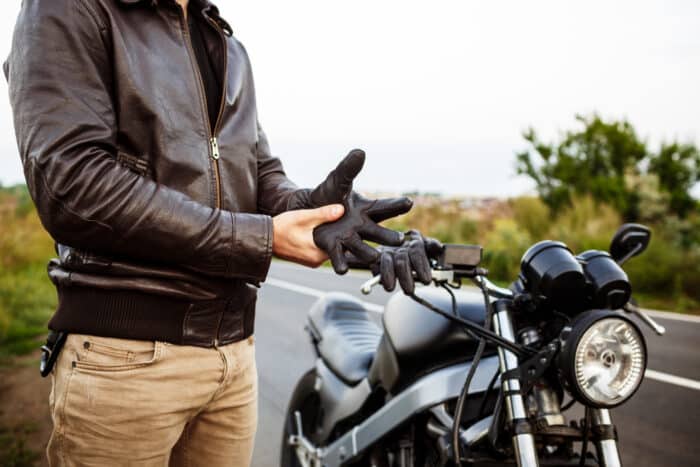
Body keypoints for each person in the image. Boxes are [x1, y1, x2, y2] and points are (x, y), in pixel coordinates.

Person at [5, 0, 438, 465]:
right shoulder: (69, 9)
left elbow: (257, 171)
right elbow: (74, 185)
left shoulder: (226, 43)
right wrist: (262, 238)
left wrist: (317, 210)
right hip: (124, 361)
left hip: (233, 360)